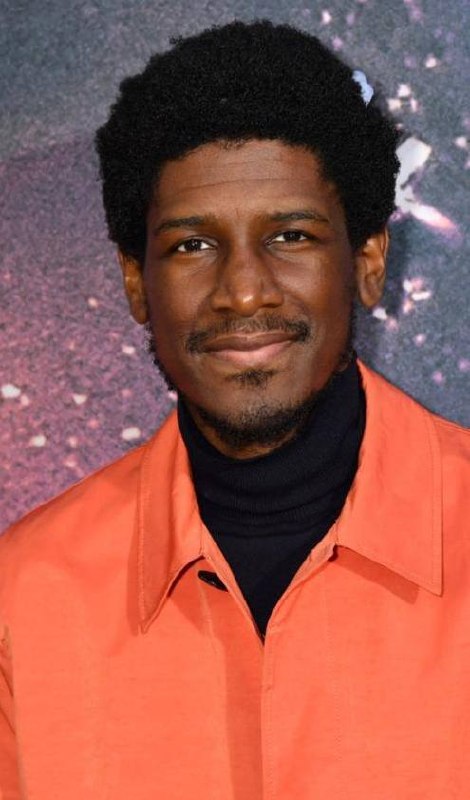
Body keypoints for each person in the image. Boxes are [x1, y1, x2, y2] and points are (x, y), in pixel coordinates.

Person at [1, 19, 469, 799]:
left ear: (368, 260)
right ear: (135, 283)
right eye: (192, 245)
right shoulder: (23, 598)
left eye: (290, 236)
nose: (244, 291)